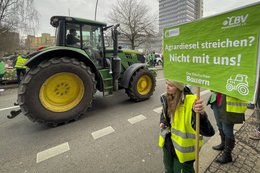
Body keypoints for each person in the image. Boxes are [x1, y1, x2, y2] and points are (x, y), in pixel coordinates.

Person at [159, 80, 215, 173]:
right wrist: (163, 121)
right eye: (166, 83)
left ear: (179, 87)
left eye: (171, 85)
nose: (167, 87)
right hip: (167, 144)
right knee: (168, 169)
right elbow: (164, 113)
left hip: (184, 151)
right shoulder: (166, 97)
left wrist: (200, 114)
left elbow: (208, 132)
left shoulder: (192, 102)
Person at [212, 93, 247, 164]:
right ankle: (223, 144)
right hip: (217, 100)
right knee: (220, 125)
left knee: (227, 130)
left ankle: (227, 155)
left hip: (228, 104)